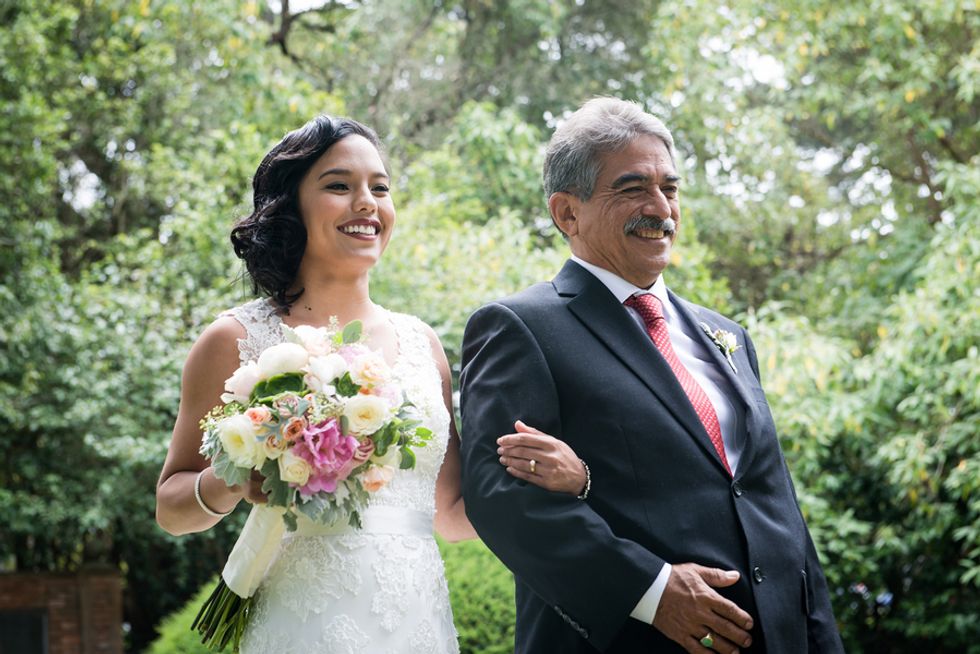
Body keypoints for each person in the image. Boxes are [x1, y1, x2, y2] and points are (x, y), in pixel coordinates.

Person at [155, 115, 587, 654]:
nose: (367, 203)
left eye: (380, 188)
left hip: (416, 622)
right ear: (290, 207)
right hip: (302, 623)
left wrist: (548, 478)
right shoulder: (233, 339)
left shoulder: (422, 343)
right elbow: (171, 506)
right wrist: (233, 481)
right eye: (339, 186)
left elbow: (452, 513)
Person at [458, 97, 845, 654]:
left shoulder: (727, 334)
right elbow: (504, 500)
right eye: (633, 188)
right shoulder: (520, 327)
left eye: (670, 187)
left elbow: (774, 503)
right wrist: (651, 591)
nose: (661, 207)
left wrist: (819, 637)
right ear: (567, 213)